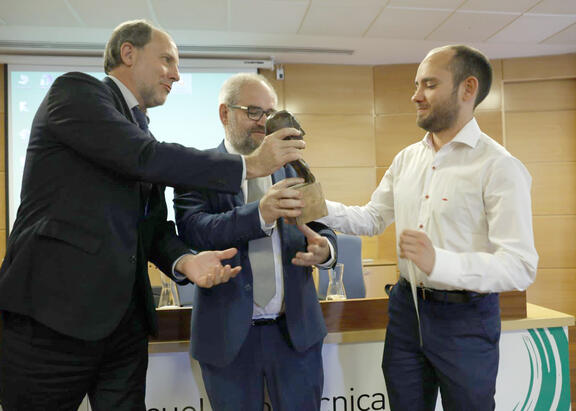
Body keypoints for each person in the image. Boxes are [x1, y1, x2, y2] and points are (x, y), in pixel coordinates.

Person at [0, 20, 305, 411]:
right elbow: (144, 157)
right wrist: (246, 165)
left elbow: (153, 226)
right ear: (128, 53)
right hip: (51, 322)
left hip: (124, 328)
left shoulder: (140, 129)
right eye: (167, 61)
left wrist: (186, 261)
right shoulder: (75, 92)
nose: (177, 75)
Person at [320, 45, 538, 410]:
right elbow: (372, 218)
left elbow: (520, 265)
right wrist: (315, 206)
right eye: (416, 84)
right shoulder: (407, 158)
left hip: (466, 318)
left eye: (429, 85)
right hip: (406, 311)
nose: (415, 96)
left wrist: (440, 262)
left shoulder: (500, 166)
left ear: (468, 89)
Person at [174, 73, 337, 411]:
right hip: (227, 338)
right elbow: (194, 230)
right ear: (224, 114)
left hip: (295, 336)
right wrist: (259, 214)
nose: (264, 123)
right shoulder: (198, 170)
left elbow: (320, 224)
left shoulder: (294, 167)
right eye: (253, 111)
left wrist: (324, 250)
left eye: (270, 113)